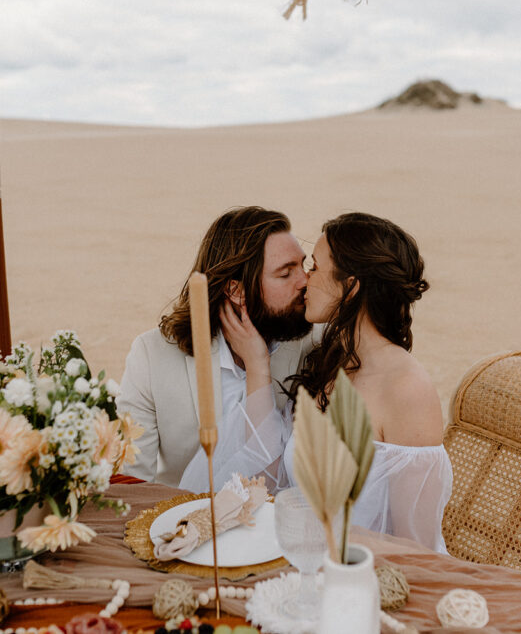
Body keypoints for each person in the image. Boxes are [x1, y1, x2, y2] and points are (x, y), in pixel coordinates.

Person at [285, 212, 453, 553]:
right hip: (304, 562)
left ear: (351, 286)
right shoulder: (332, 361)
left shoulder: (406, 390)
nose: (304, 279)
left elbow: (417, 548)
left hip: (369, 579)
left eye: (315, 266)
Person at [117, 206, 318, 490]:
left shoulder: (313, 341)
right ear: (235, 290)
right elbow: (132, 481)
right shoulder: (152, 357)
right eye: (286, 274)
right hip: (180, 523)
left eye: (303, 265)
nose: (305, 281)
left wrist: (257, 363)